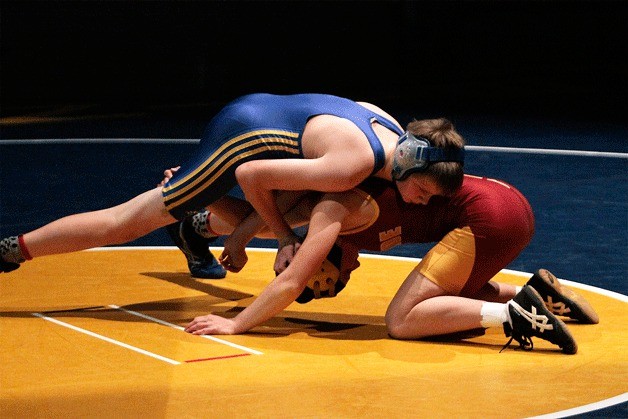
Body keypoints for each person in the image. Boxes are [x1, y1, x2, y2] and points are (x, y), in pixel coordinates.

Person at [0, 93, 464, 276]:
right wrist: (283, 239)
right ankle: (13, 250)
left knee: (292, 208)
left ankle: (195, 219)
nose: (420, 203)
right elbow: (250, 175)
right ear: (406, 164)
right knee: (124, 224)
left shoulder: (389, 127)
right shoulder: (352, 165)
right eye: (422, 191)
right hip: (241, 141)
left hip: (273, 123)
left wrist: (252, 233)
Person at [182, 172, 598, 355]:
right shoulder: (332, 223)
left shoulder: (331, 213)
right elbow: (259, 224)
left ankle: (513, 314)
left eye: (324, 278)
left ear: (321, 257)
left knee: (402, 320)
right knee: (442, 305)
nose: (339, 280)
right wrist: (202, 197)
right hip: (505, 204)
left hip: (488, 215)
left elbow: (278, 260)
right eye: (333, 287)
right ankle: (540, 296)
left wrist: (195, 190)